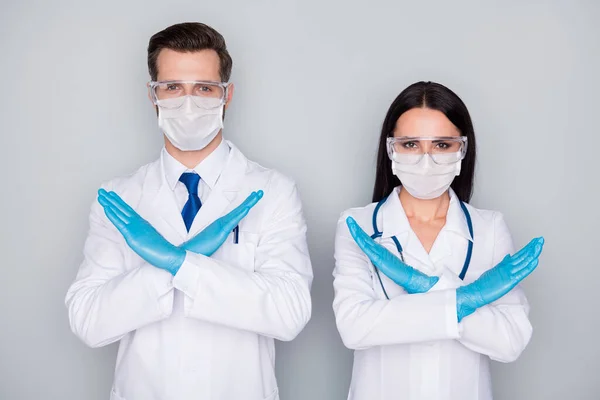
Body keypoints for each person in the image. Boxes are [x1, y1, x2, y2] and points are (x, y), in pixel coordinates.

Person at [65, 22, 312, 400]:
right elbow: (88, 320)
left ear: (227, 95)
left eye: (204, 88)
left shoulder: (273, 191)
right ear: (153, 95)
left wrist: (179, 263)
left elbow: (288, 312)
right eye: (172, 88)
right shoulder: (119, 198)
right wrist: (178, 265)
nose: (188, 102)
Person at [332, 81, 544, 400]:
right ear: (390, 149)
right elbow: (355, 327)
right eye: (411, 144)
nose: (426, 160)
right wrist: (463, 300)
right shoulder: (359, 225)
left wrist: (428, 288)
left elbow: (510, 340)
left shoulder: (489, 228)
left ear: (462, 150)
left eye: (442, 145)